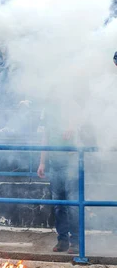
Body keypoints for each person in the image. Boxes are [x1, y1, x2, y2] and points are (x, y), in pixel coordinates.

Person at [37, 104, 80, 254]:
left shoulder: (74, 110)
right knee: (58, 205)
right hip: (55, 165)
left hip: (72, 164)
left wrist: (72, 126)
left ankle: (76, 242)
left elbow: (83, 124)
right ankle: (62, 240)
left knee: (74, 206)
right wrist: (42, 162)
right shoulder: (50, 113)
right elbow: (45, 138)